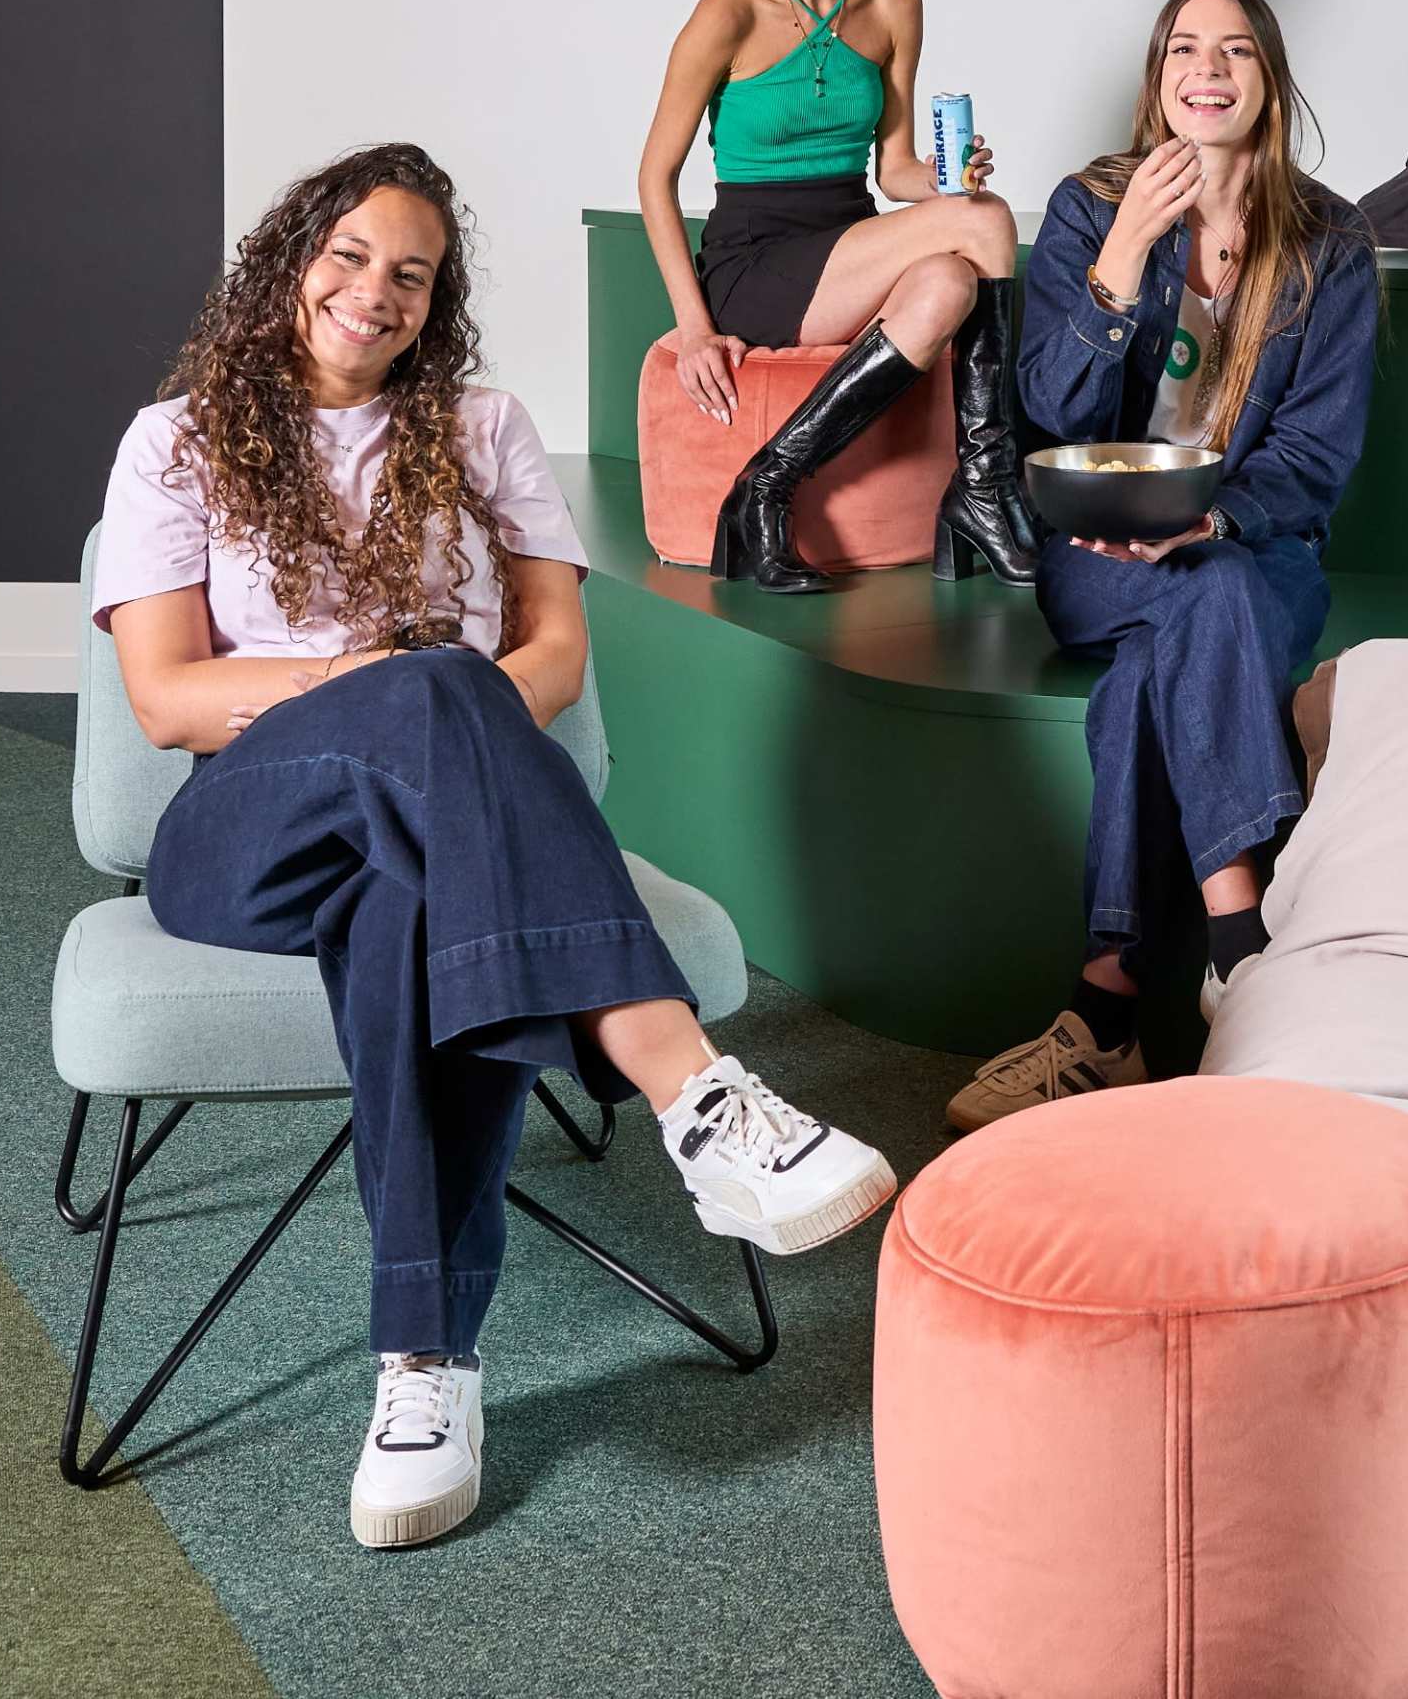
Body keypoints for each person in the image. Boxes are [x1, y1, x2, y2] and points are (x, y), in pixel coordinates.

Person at [96, 142, 896, 1551]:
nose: (375, 290)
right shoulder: (178, 438)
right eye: (347, 255)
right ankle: (694, 1093)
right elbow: (167, 698)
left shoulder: (482, 427)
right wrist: (395, 692)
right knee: (437, 682)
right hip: (242, 831)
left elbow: (559, 658)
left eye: (411, 272)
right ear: (289, 262)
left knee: (411, 891)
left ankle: (426, 1363)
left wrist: (437, 704)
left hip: (426, 838)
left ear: (438, 301)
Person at [944, 0, 1380, 1131]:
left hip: (1255, 549)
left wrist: (1219, 515)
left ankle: (1105, 1014)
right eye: (1186, 49)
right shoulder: (1092, 206)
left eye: (1236, 50)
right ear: (1159, 77)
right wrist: (1126, 253)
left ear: (1268, 79)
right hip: (1098, 544)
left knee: (1178, 635)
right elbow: (1050, 411)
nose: (1210, 69)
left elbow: (1316, 456)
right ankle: (1242, 941)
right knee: (1192, 601)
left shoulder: (1332, 240)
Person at [632, 0, 1034, 591]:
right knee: (984, 227)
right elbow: (655, 176)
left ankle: (769, 481)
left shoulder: (892, 4)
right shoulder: (727, 13)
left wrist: (951, 184)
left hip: (847, 241)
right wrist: (693, 324)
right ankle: (988, 485)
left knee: (954, 274)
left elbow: (895, 172)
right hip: (756, 262)